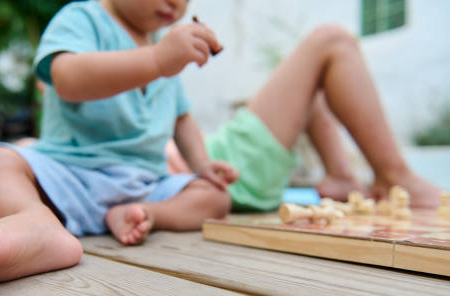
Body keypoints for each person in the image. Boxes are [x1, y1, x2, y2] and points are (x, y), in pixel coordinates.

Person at [0, 0, 238, 288]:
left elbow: (180, 118)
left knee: (216, 197)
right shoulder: (83, 19)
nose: (175, 3)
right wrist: (158, 60)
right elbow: (67, 78)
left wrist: (201, 165)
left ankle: (145, 214)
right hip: (71, 176)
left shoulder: (162, 44)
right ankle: (35, 222)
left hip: (144, 184)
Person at [166, 25, 441, 211]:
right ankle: (395, 176)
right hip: (232, 166)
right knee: (332, 41)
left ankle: (342, 176)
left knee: (313, 86)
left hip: (221, 157)